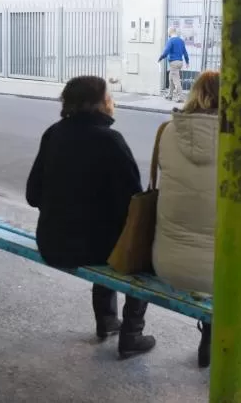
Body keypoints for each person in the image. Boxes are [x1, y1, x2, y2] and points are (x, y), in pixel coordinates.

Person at [26, 75, 156, 359]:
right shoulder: (110, 141)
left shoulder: (53, 133)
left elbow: (32, 195)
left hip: (52, 243)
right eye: (109, 96)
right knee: (136, 248)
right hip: (93, 249)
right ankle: (131, 333)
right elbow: (133, 204)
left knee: (105, 235)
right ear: (100, 103)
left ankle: (107, 320)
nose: (113, 100)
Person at [151, 70, 220, 368]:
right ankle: (212, 339)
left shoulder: (167, 130)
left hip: (164, 262)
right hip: (221, 275)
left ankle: (129, 328)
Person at [158, 27, 189, 102]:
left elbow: (166, 51)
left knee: (176, 80)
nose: (168, 33)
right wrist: (187, 62)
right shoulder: (181, 41)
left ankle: (180, 97)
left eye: (168, 32)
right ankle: (170, 95)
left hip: (174, 63)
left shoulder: (171, 40)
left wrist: (161, 57)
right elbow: (185, 52)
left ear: (170, 32)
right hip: (180, 62)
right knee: (171, 78)